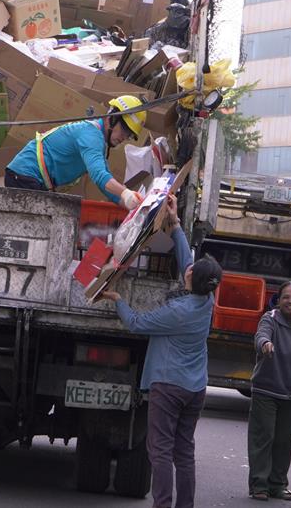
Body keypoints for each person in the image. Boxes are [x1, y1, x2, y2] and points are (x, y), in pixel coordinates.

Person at [101, 194, 219, 508]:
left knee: (161, 452)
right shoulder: (206, 301)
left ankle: (163, 505)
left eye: (192, 272)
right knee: (184, 452)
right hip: (194, 387)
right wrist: (176, 224)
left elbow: (138, 324)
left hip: (169, 386)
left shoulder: (178, 311)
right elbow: (187, 262)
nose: (188, 270)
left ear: (194, 280)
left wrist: (118, 300)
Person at [4, 95, 146, 210]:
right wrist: (125, 193)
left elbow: (105, 184)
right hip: (25, 176)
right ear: (113, 118)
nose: (125, 138)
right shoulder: (91, 136)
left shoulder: (97, 140)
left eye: (129, 135)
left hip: (28, 177)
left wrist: (128, 204)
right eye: (125, 130)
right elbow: (100, 176)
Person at [247, 281, 291, 501]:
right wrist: (265, 344)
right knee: (263, 437)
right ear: (279, 301)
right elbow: (261, 336)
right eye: (286, 297)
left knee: (284, 440)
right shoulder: (270, 318)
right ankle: (259, 484)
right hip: (266, 390)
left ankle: (278, 485)